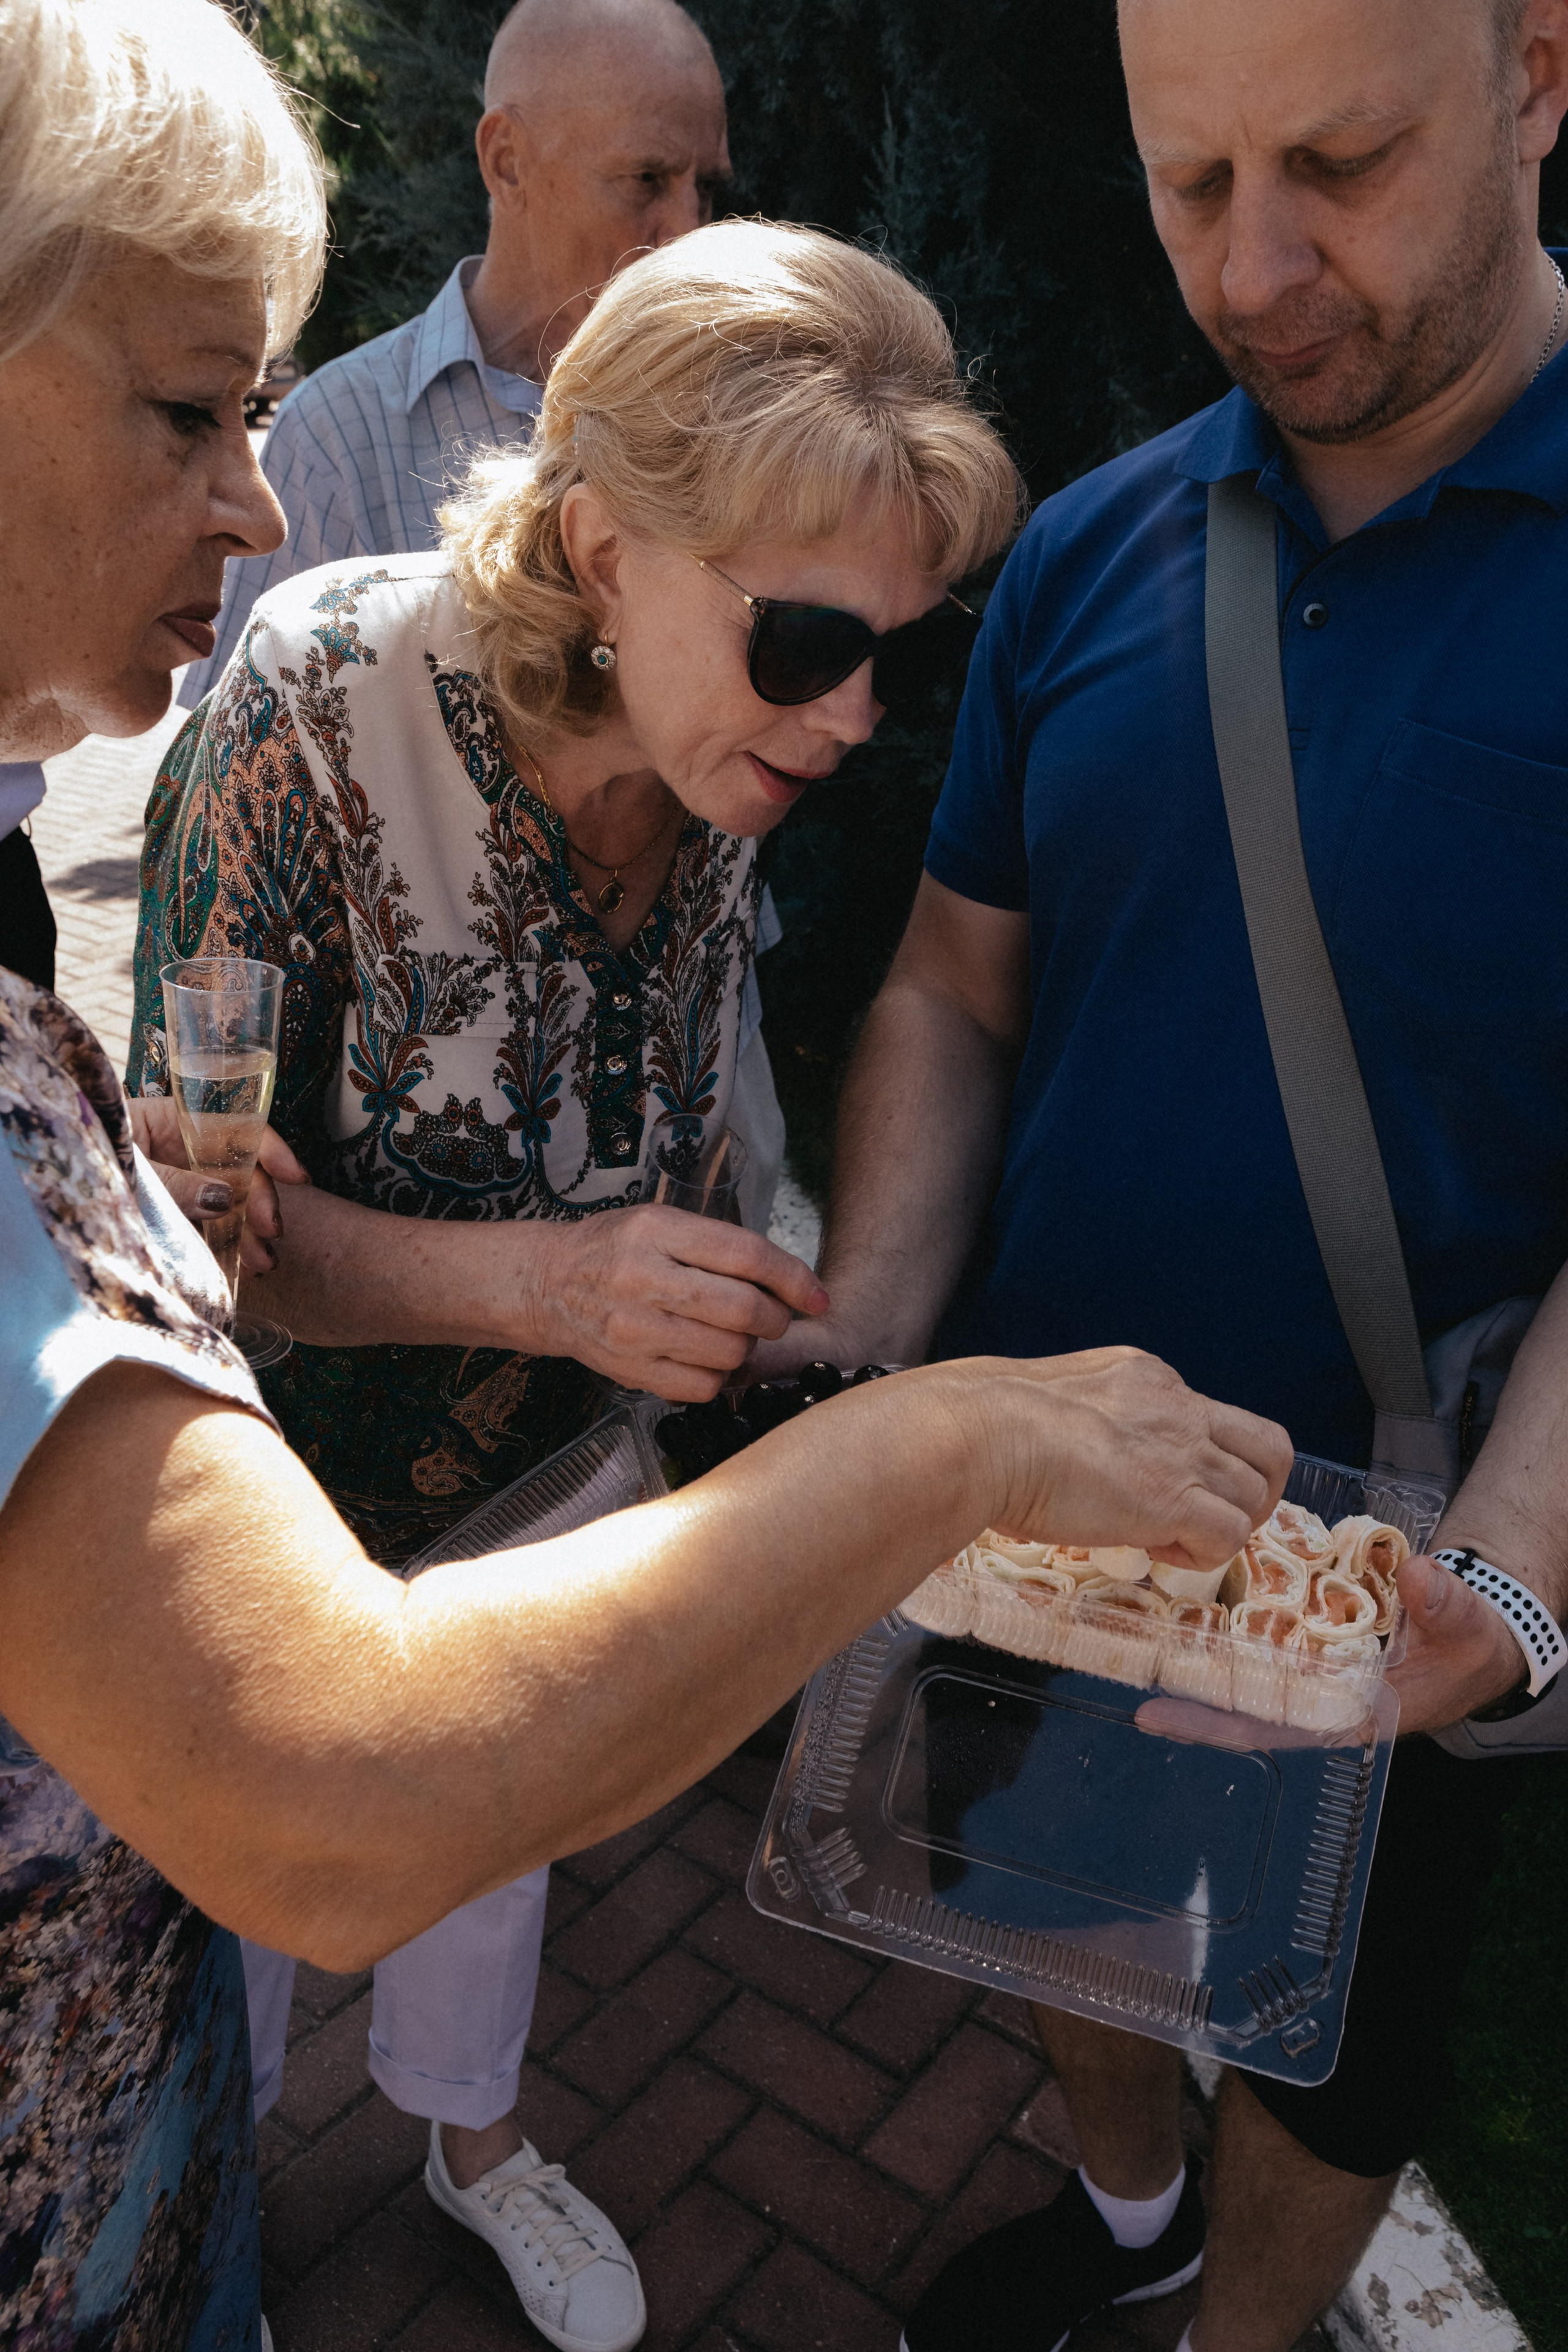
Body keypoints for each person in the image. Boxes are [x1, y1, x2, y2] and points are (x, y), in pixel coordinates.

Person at [752, 0, 1568, 2346]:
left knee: (1338, 2039)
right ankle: (1136, 2229)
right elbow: (949, 986)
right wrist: (874, 1361)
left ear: (1535, 73)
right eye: (1190, 182)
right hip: (1036, 1514)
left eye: (1337, 161)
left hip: (1401, 1568)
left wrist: (1510, 1580)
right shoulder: (1096, 549)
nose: (1258, 265)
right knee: (1043, 1899)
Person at [124, 208, 1025, 2324]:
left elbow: (674, 1098)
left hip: (550, 1500)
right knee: (220, 1982)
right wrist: (551, 1284)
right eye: (809, 642)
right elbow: (202, 1237)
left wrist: (764, 1295)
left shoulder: (721, 765)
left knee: (488, 1886)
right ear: (607, 551)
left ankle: (471, 2139)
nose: (853, 717)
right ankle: (211, 2248)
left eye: (900, 655)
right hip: (275, 1537)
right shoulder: (311, 717)